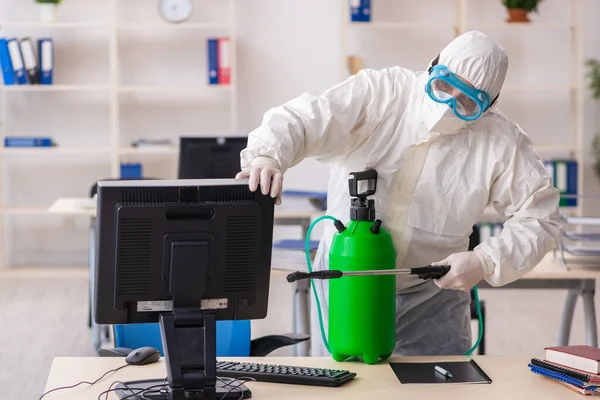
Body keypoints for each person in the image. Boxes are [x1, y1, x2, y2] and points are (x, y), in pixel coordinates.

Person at [236, 30, 561, 356]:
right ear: (432, 67)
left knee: (436, 389)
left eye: (466, 102)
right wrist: (268, 155)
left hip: (432, 296)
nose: (448, 105)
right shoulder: (381, 93)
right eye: (444, 86)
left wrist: (484, 261)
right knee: (344, 384)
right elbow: (305, 118)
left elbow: (541, 217)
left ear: (488, 106)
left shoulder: (501, 141)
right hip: (348, 280)